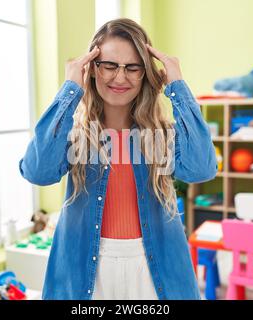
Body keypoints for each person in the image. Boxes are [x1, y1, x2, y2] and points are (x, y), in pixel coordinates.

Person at [19, 18, 217, 300]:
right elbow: (38, 172)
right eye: (109, 65)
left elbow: (201, 169)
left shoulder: (162, 136)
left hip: (152, 268)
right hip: (87, 272)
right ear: (92, 69)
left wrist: (178, 86)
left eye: (132, 67)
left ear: (145, 73)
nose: (120, 77)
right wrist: (69, 90)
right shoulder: (74, 135)